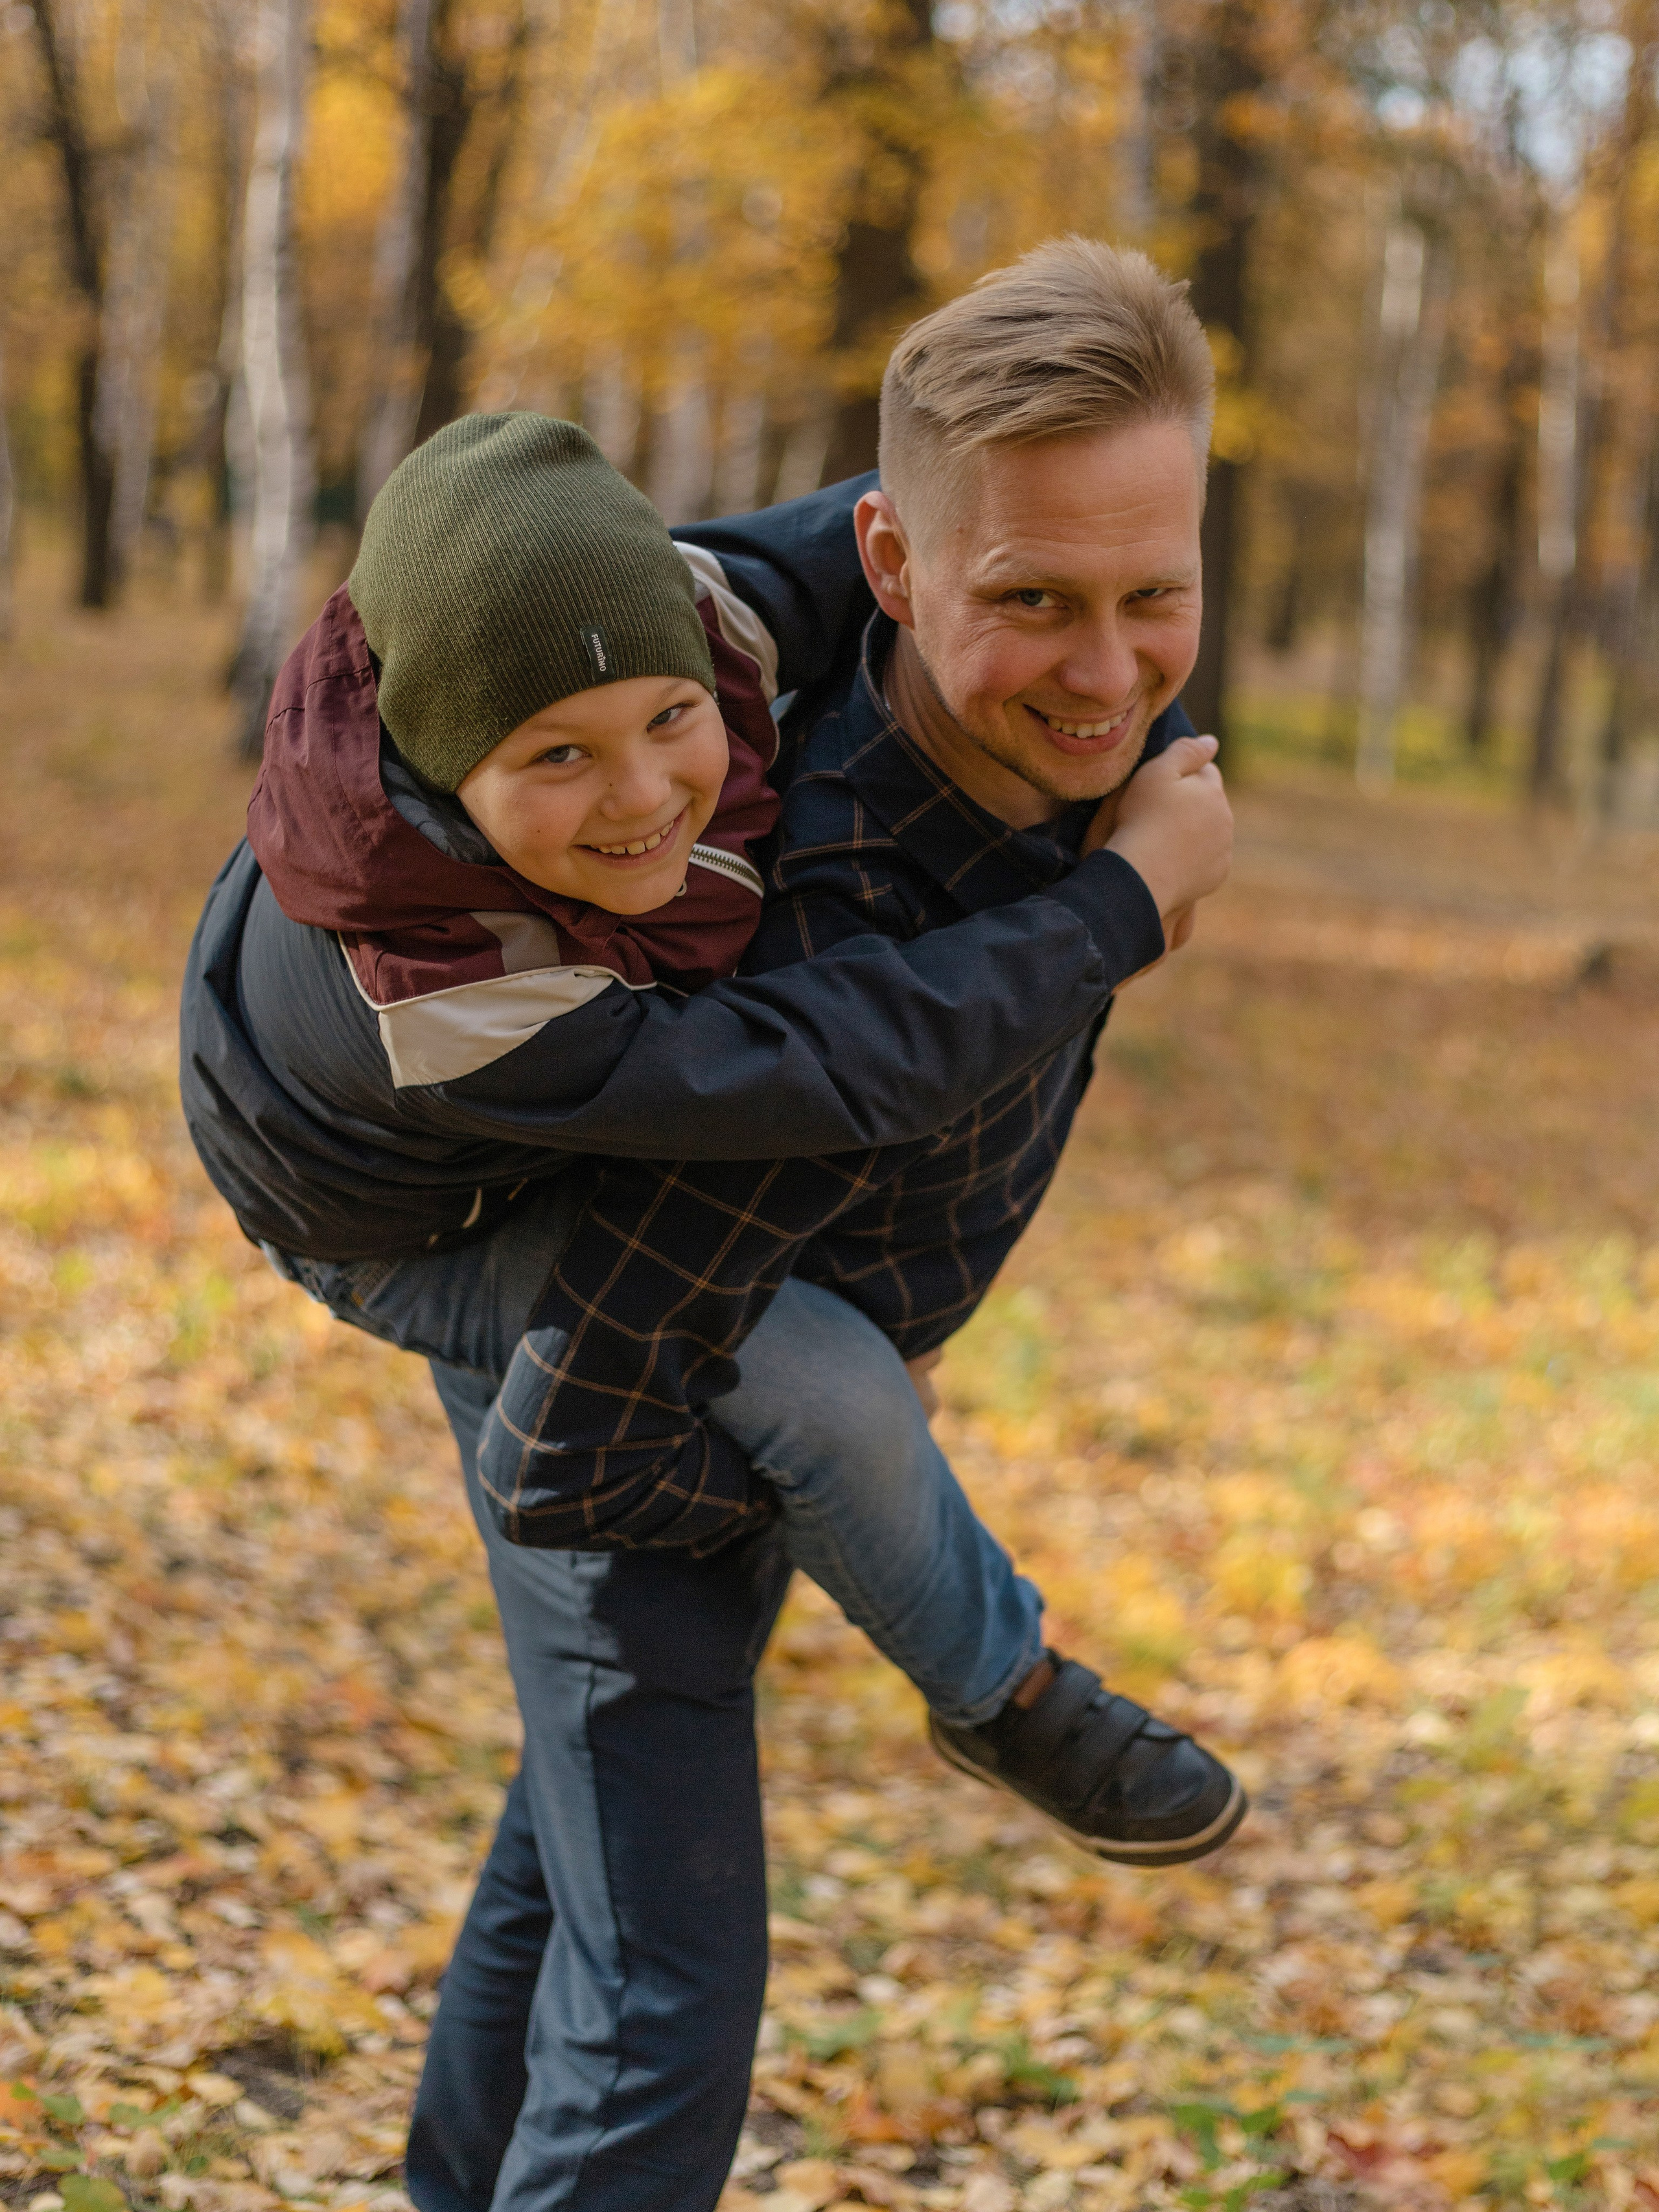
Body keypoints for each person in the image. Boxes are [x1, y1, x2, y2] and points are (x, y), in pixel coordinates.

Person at [180, 237, 1236, 2212]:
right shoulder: (693, 932)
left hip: (681, 1300)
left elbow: (858, 549)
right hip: (480, 1254)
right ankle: (1007, 1693)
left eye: (1152, 595)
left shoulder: (727, 628)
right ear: (900, 570)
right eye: (1032, 600)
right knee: (665, 1988)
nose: (1107, 669)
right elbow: (623, 1344)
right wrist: (1115, 913)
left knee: (580, 1850)